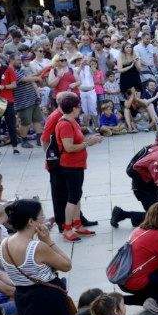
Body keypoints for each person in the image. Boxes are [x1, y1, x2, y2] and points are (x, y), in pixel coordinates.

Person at [44, 92, 100, 241]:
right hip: (70, 166)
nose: (80, 108)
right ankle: (67, 229)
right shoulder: (65, 124)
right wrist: (88, 143)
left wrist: (89, 139)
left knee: (77, 195)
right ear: (74, 108)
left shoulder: (72, 121)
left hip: (77, 164)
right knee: (73, 197)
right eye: (78, 106)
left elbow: (77, 141)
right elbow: (68, 147)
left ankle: (77, 224)